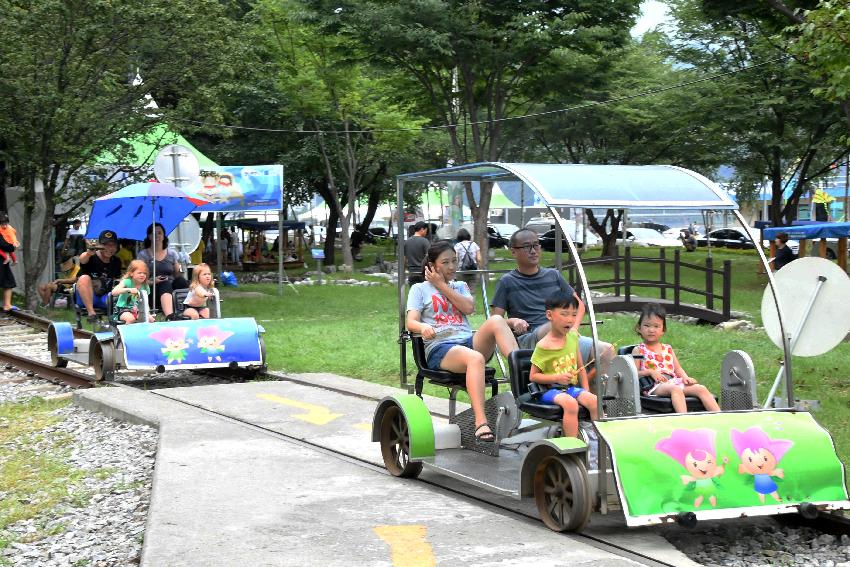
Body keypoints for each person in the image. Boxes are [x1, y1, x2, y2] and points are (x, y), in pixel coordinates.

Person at [406, 240, 518, 443]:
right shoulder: (419, 289)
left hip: (467, 340)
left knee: (496, 320)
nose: (451, 267)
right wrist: (423, 327)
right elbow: (410, 322)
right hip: (441, 347)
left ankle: (523, 379)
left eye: (454, 261)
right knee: (475, 359)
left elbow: (468, 308)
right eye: (445, 262)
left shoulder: (460, 285)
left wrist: (441, 285)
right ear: (432, 265)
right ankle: (481, 422)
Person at [491, 229, 614, 381]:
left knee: (606, 351)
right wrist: (513, 321)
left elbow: (579, 305)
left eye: (536, 245)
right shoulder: (507, 282)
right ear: (513, 252)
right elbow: (495, 320)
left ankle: (591, 398)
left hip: (564, 334)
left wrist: (573, 330)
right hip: (531, 338)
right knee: (554, 324)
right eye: (526, 246)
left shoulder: (553, 275)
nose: (533, 251)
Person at [530, 290, 599, 438]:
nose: (570, 320)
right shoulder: (544, 346)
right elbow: (533, 376)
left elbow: (581, 368)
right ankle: (571, 444)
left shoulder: (573, 337)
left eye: (574, 315)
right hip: (549, 391)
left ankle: (599, 439)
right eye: (564, 314)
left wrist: (586, 390)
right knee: (570, 404)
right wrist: (557, 377)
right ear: (550, 315)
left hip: (570, 388)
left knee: (594, 401)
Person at [632, 303, 720, 413]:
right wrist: (649, 372)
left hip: (673, 381)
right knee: (676, 389)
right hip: (654, 386)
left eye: (656, 326)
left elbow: (678, 369)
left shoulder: (668, 349)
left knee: (701, 388)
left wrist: (685, 378)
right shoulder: (639, 350)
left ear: (663, 330)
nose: (651, 330)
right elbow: (633, 373)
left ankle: (719, 417)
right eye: (647, 325)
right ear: (639, 328)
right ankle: (683, 420)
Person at [137, 223, 189, 321]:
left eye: (159, 233)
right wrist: (154, 281)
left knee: (181, 281)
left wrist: (181, 264)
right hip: (151, 290)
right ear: (149, 236)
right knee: (165, 284)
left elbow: (179, 274)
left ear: (164, 235)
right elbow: (137, 280)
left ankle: (188, 311)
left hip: (171, 288)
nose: (157, 235)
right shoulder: (143, 255)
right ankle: (170, 316)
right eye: (153, 233)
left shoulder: (172, 253)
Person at [76, 230, 122, 323]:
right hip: (88, 296)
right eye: (106, 245)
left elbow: (118, 278)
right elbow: (82, 259)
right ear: (99, 245)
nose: (110, 248)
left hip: (105, 297)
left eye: (112, 245)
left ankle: (119, 323)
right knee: (84, 278)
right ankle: (91, 313)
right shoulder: (91, 257)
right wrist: (89, 253)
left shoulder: (116, 261)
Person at [111, 260, 155, 324]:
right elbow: (114, 292)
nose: (142, 275)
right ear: (131, 273)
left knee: (151, 319)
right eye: (139, 273)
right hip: (123, 310)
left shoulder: (145, 286)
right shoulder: (127, 282)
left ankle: (145, 333)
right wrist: (128, 290)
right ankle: (126, 333)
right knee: (130, 319)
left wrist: (147, 313)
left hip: (138, 311)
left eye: (144, 273)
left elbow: (146, 302)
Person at [0, 212, 16, 312]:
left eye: (6, 223)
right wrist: (12, 247)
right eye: (2, 223)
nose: (4, 225)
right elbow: (5, 245)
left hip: (3, 260)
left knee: (8, 281)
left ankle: (7, 304)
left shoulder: (7, 231)